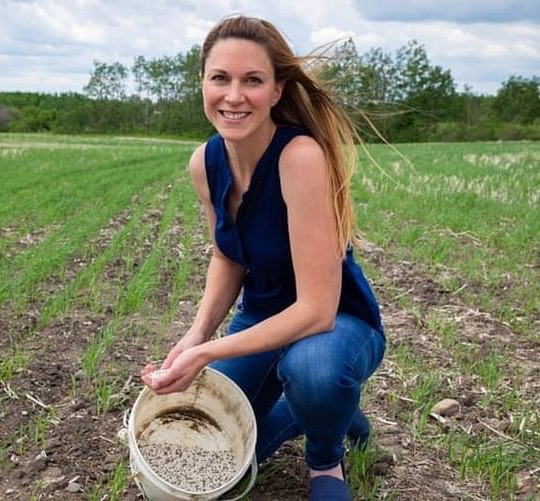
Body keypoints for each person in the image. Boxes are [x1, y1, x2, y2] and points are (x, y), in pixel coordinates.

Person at [140, 15, 386, 500]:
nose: (234, 96)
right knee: (216, 454)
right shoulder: (205, 163)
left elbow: (316, 310)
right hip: (262, 321)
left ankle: (324, 459)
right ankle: (332, 409)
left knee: (313, 372)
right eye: (220, 78)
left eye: (253, 80)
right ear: (203, 83)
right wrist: (195, 334)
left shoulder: (299, 157)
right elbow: (228, 256)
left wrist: (207, 354)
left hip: (336, 324)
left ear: (276, 91)